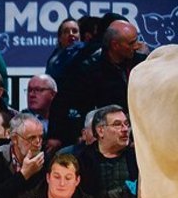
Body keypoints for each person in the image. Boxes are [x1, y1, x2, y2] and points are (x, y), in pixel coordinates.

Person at [51, 19, 146, 147]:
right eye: (131, 43)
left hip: (140, 134)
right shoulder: (89, 69)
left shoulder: (142, 63)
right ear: (115, 45)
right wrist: (57, 136)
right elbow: (62, 103)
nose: (137, 46)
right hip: (103, 138)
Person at [75, 105, 137, 198]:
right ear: (100, 131)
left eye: (126, 124)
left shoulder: (136, 157)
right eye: (117, 124)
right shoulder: (82, 161)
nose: (125, 129)